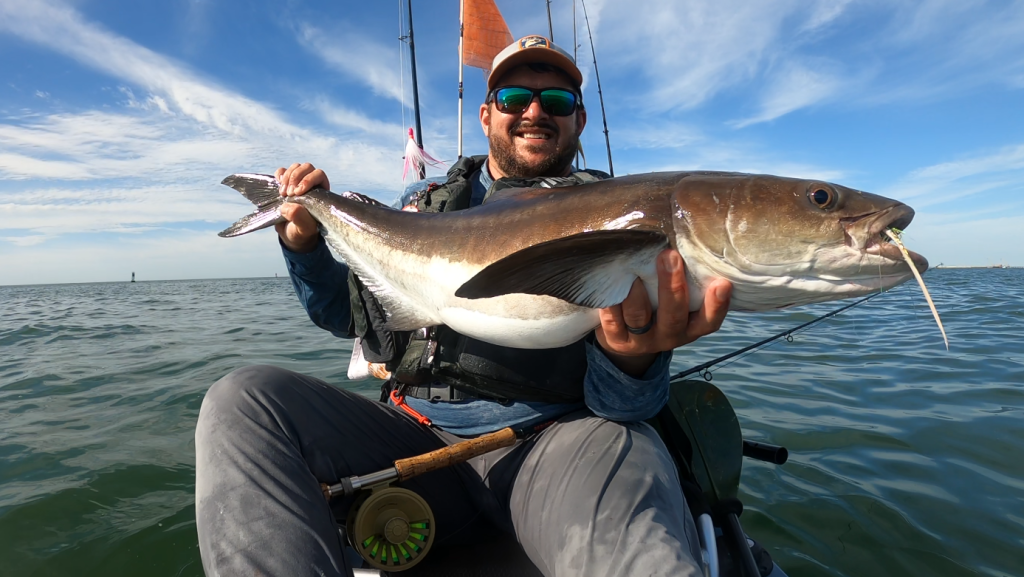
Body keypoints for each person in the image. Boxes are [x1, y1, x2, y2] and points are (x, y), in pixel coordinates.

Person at [195, 36, 733, 576]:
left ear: (580, 121)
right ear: (485, 114)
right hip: (409, 440)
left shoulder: (620, 216)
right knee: (243, 400)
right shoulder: (422, 207)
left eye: (558, 102)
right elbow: (346, 316)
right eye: (514, 96)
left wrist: (631, 360)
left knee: (635, 486)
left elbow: (624, 408)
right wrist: (304, 245)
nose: (534, 112)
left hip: (562, 449)